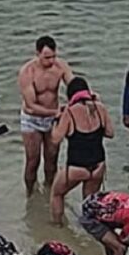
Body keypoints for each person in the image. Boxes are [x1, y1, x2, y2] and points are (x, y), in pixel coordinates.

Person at [50, 77, 114, 224]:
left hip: (77, 167)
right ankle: (91, 232)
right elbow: (110, 133)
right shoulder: (100, 108)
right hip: (98, 165)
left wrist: (56, 120)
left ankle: (58, 227)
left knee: (57, 194)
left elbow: (55, 139)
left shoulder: (69, 112)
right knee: (90, 203)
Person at [18, 36, 74, 194]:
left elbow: (73, 84)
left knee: (52, 158)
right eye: (46, 57)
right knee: (32, 160)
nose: (50, 61)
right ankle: (30, 193)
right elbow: (31, 105)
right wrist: (56, 112)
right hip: (32, 120)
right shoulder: (27, 71)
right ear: (37, 54)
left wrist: (86, 96)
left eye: (53, 56)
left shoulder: (60, 66)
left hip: (52, 118)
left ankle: (51, 192)